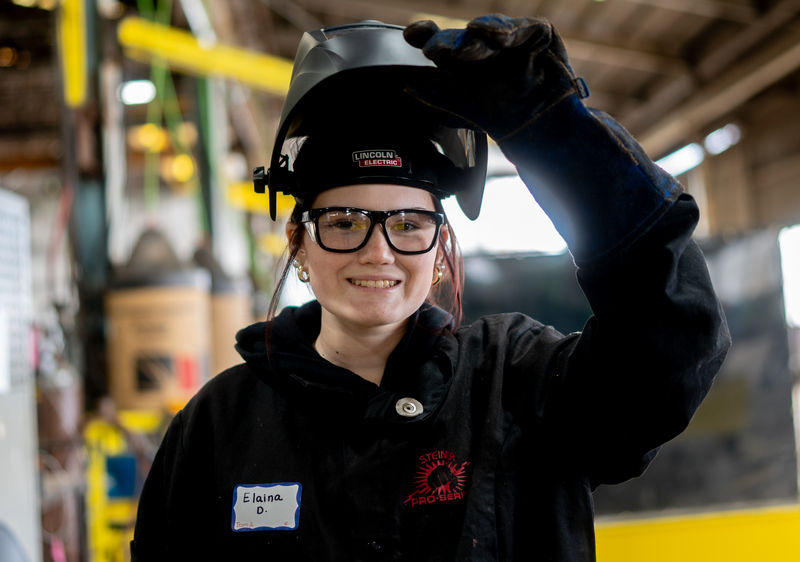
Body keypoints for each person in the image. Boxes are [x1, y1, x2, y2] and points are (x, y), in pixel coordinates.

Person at [131, 15, 730, 561]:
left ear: (440, 247)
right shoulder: (217, 426)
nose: (378, 251)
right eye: (343, 223)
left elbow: (670, 348)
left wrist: (553, 134)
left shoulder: (518, 383)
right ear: (298, 242)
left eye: (408, 225)